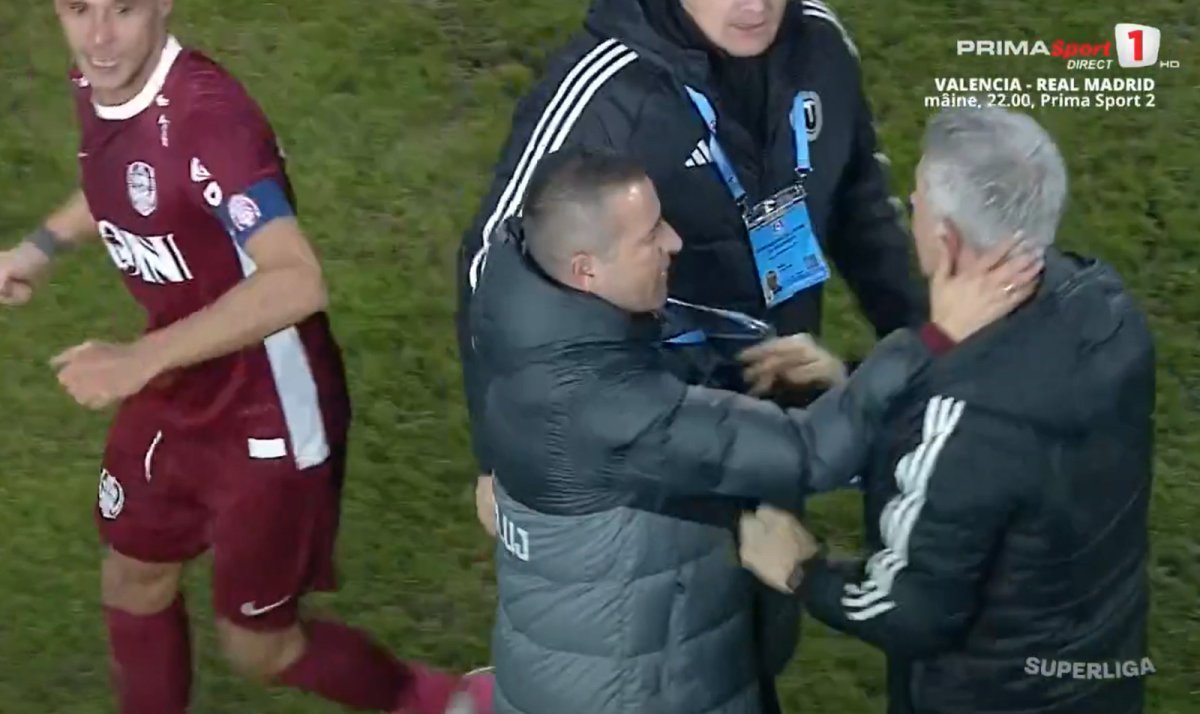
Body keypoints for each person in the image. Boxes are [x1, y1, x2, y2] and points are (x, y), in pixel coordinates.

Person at [0, 2, 491, 713]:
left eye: (123, 8)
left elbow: (297, 280)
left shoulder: (210, 122)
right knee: (133, 577)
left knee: (259, 647)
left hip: (269, 413)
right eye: (80, 8)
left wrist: (137, 362)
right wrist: (41, 247)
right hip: (179, 384)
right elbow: (122, 176)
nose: (99, 37)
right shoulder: (103, 77)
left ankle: (441, 701)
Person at [455, 0, 926, 690]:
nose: (754, 5)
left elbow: (861, 206)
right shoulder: (604, 94)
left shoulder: (820, 44)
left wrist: (940, 354)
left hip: (772, 395)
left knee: (760, 624)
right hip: (651, 433)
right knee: (655, 644)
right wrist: (498, 454)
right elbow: (491, 268)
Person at [468, 146, 1041, 714]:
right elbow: (809, 453)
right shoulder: (615, 411)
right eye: (650, 236)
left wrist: (765, 370)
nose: (674, 241)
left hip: (591, 667)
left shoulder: (523, 311)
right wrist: (933, 339)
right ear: (586, 270)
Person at [736, 106, 1155, 714]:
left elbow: (913, 610)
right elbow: (992, 451)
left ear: (947, 240)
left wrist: (803, 570)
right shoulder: (1109, 309)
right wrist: (852, 383)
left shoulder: (966, 415)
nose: (910, 204)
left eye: (918, 201)